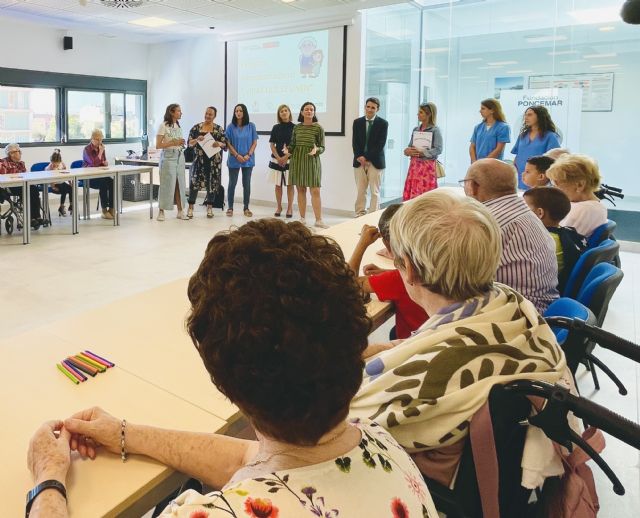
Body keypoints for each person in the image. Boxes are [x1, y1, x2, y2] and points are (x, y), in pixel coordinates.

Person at [26, 219, 439, 518]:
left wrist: (48, 480)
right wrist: (124, 434)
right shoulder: (382, 445)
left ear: (221, 377)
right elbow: (253, 457)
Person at [349, 191, 567, 488]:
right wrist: (379, 350)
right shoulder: (509, 303)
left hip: (417, 481)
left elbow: (346, 427)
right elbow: (428, 341)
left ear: (409, 271)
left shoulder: (432, 377)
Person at [462, 158, 559, 313]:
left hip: (515, 316)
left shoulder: (487, 222)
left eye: (464, 182)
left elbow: (456, 276)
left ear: (473, 186)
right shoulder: (523, 210)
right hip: (537, 308)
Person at [348, 204, 428, 339]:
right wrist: (385, 272)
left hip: (410, 344)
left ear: (386, 244)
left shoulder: (396, 280)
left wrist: (362, 244)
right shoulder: (434, 266)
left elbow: (347, 283)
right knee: (393, 332)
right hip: (429, 334)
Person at [523, 187, 588, 293]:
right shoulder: (566, 233)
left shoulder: (541, 240)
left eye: (523, 208)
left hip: (541, 292)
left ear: (540, 213)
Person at [546, 154, 608, 239]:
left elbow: (556, 241)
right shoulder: (597, 205)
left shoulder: (582, 210)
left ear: (580, 185)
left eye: (557, 184)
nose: (554, 189)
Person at [289, 101, 328, 228]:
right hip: (298, 160)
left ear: (314, 112)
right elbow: (293, 144)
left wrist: (317, 150)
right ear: (301, 112)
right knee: (300, 189)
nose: (309, 111)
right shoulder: (297, 127)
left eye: (311, 109)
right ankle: (302, 218)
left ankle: (318, 220)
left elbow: (322, 147)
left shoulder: (318, 128)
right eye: (306, 109)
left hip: (312, 160)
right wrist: (288, 149)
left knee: (315, 191)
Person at [186, 106, 227, 219]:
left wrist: (219, 143)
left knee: (212, 184)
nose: (208, 116)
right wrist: (196, 140)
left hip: (214, 162)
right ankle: (190, 207)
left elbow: (225, 144)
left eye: (210, 114)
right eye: (206, 113)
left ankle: (210, 207)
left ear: (214, 116)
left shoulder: (219, 129)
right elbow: (189, 143)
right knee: (194, 183)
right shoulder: (196, 128)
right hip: (198, 161)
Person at [352, 97, 389, 217]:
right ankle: (359, 214)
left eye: (373, 107)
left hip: (375, 162)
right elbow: (355, 142)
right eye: (368, 106)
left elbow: (380, 144)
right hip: (359, 162)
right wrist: (359, 157)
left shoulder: (383, 123)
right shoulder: (357, 122)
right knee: (361, 191)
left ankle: (372, 215)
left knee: (374, 191)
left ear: (377, 109)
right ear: (365, 107)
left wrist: (366, 158)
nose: (370, 109)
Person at [511, 106, 561, 189]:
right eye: (525, 115)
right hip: (521, 176)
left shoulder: (550, 136)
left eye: (530, 115)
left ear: (540, 116)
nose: (526, 118)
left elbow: (553, 159)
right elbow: (518, 155)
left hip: (539, 177)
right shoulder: (523, 136)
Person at [403, 102, 442, 200]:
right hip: (414, 166)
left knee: (425, 194)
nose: (418, 114)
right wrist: (407, 151)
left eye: (421, 112)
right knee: (413, 191)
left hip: (427, 167)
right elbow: (410, 146)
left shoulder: (435, 130)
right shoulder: (416, 129)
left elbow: (438, 149)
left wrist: (423, 153)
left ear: (428, 114)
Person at [156, 103, 188, 222]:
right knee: (166, 184)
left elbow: (177, 142)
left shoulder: (177, 125)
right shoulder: (163, 126)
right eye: (178, 111)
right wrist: (173, 142)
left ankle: (180, 211)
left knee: (180, 184)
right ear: (171, 112)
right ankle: (161, 211)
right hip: (168, 157)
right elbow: (158, 145)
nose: (181, 113)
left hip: (179, 156)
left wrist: (180, 143)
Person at [225, 103, 258, 217]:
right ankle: (230, 208)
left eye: (240, 111)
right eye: (236, 111)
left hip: (248, 159)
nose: (238, 113)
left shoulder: (251, 126)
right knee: (232, 184)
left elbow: (254, 142)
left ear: (244, 113)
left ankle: (246, 208)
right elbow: (227, 143)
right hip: (234, 159)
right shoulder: (230, 127)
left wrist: (248, 155)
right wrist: (237, 155)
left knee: (246, 184)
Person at [0, 143, 43, 228]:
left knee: (33, 190)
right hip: (10, 187)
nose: (20, 153)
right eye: (18, 151)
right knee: (28, 191)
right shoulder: (3, 163)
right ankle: (31, 219)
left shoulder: (21, 163)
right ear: (11, 153)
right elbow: (2, 178)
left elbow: (25, 175)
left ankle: (37, 217)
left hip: (21, 185)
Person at [268, 104, 295, 218]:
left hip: (290, 159)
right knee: (278, 185)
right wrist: (279, 158)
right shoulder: (276, 127)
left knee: (290, 184)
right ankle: (279, 207)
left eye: (285, 110)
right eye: (281, 111)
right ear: (279, 114)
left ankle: (290, 208)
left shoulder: (295, 127)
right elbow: (272, 144)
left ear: (289, 112)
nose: (284, 112)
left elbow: (296, 145)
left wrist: (286, 157)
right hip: (276, 160)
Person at [82, 129, 115, 220]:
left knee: (112, 182)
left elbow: (102, 161)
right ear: (92, 139)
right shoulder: (87, 149)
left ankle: (111, 209)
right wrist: (100, 152)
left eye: (101, 140)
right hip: (89, 178)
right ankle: (104, 211)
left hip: (100, 174)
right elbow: (93, 163)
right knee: (103, 183)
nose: (99, 142)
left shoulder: (101, 148)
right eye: (97, 139)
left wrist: (105, 162)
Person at [469, 98, 511, 162]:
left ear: (492, 110)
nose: (480, 111)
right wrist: (474, 162)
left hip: (493, 165)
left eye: (483, 108)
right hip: (477, 166)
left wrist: (483, 163)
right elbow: (472, 147)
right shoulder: (478, 127)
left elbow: (499, 149)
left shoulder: (503, 127)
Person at [46, 148, 73, 217]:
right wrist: (52, 186)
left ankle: (71, 205)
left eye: (57, 164)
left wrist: (70, 183)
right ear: (51, 161)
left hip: (61, 182)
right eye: (54, 164)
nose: (56, 166)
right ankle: (61, 207)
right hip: (54, 184)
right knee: (64, 190)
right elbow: (49, 179)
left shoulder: (62, 164)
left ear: (60, 161)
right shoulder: (49, 168)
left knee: (71, 188)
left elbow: (67, 174)